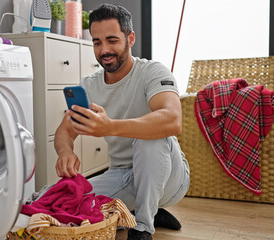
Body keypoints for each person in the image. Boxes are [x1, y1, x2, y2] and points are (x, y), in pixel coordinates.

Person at [54, 3, 190, 240]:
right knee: (59, 201)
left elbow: (172, 120)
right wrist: (65, 151)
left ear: (130, 38)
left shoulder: (153, 72)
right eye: (97, 42)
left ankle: (143, 227)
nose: (104, 49)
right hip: (123, 175)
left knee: (148, 138)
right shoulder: (89, 84)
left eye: (112, 40)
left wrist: (111, 126)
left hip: (169, 178)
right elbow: (64, 130)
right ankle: (142, 210)